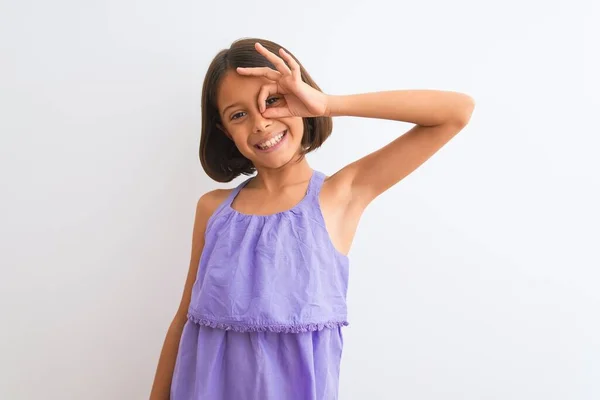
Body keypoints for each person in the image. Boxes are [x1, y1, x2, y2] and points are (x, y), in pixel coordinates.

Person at [149, 37, 475, 400]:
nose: (260, 123)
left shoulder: (340, 195)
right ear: (226, 131)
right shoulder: (213, 209)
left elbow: (456, 111)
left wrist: (328, 104)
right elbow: (183, 320)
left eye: (272, 101)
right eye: (238, 114)